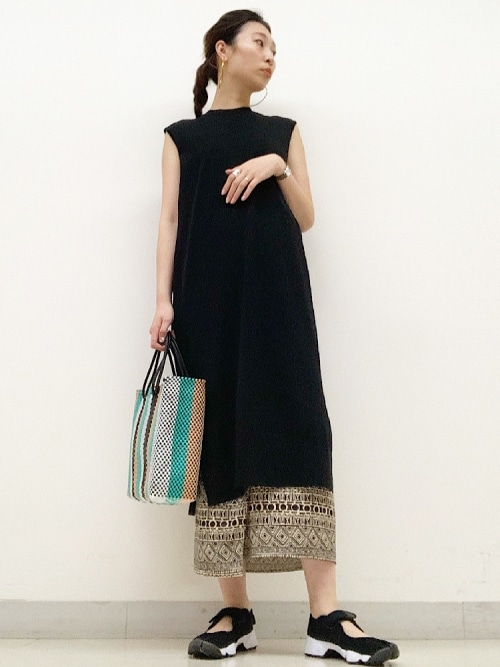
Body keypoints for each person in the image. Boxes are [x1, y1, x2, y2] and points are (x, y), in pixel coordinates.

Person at [149, 9, 400, 664]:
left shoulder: (282, 133)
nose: (270, 56)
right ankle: (235, 611)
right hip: (205, 305)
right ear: (222, 51)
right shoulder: (182, 137)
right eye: (259, 43)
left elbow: (307, 217)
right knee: (219, 441)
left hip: (280, 301)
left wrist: (275, 166)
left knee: (302, 429)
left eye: (275, 48)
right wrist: (162, 302)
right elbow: (170, 219)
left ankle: (326, 616)